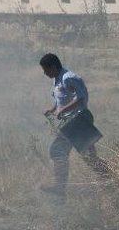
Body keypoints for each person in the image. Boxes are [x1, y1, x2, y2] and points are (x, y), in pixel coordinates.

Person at [40, 53, 107, 197]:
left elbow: (81, 97)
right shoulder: (57, 80)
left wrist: (64, 109)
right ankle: (111, 180)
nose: (44, 73)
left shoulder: (68, 77)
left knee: (66, 152)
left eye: (46, 70)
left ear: (53, 66)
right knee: (86, 156)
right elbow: (62, 100)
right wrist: (52, 109)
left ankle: (111, 181)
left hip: (79, 120)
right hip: (72, 122)